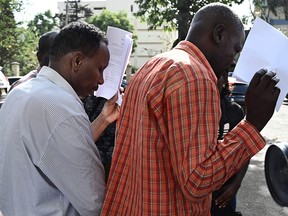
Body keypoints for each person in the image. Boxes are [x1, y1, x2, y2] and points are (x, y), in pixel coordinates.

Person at [101, 3, 280, 216]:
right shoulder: (195, 76)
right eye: (235, 49)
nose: (233, 61)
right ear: (219, 34)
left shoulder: (153, 65)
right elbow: (198, 181)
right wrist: (253, 124)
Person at [0, 21, 119, 215]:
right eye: (100, 69)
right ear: (77, 61)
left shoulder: (20, 93)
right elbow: (94, 202)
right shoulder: (62, 107)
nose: (101, 80)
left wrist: (104, 118)